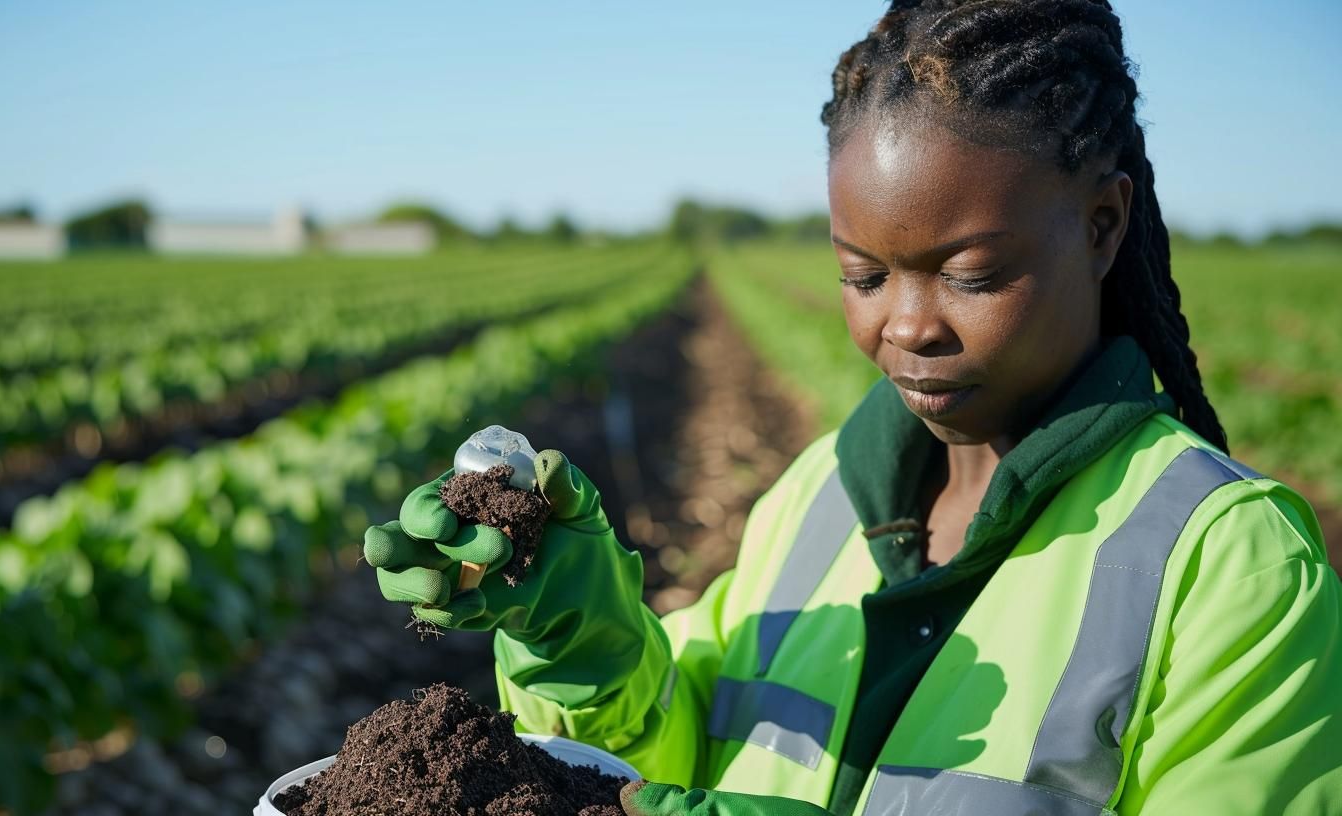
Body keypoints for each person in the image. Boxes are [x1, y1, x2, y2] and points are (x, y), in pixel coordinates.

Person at [364, 1, 1342, 813]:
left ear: (1099, 226)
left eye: (970, 274)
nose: (906, 326)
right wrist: (580, 641)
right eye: (863, 274)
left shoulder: (1230, 568)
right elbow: (670, 750)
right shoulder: (821, 490)